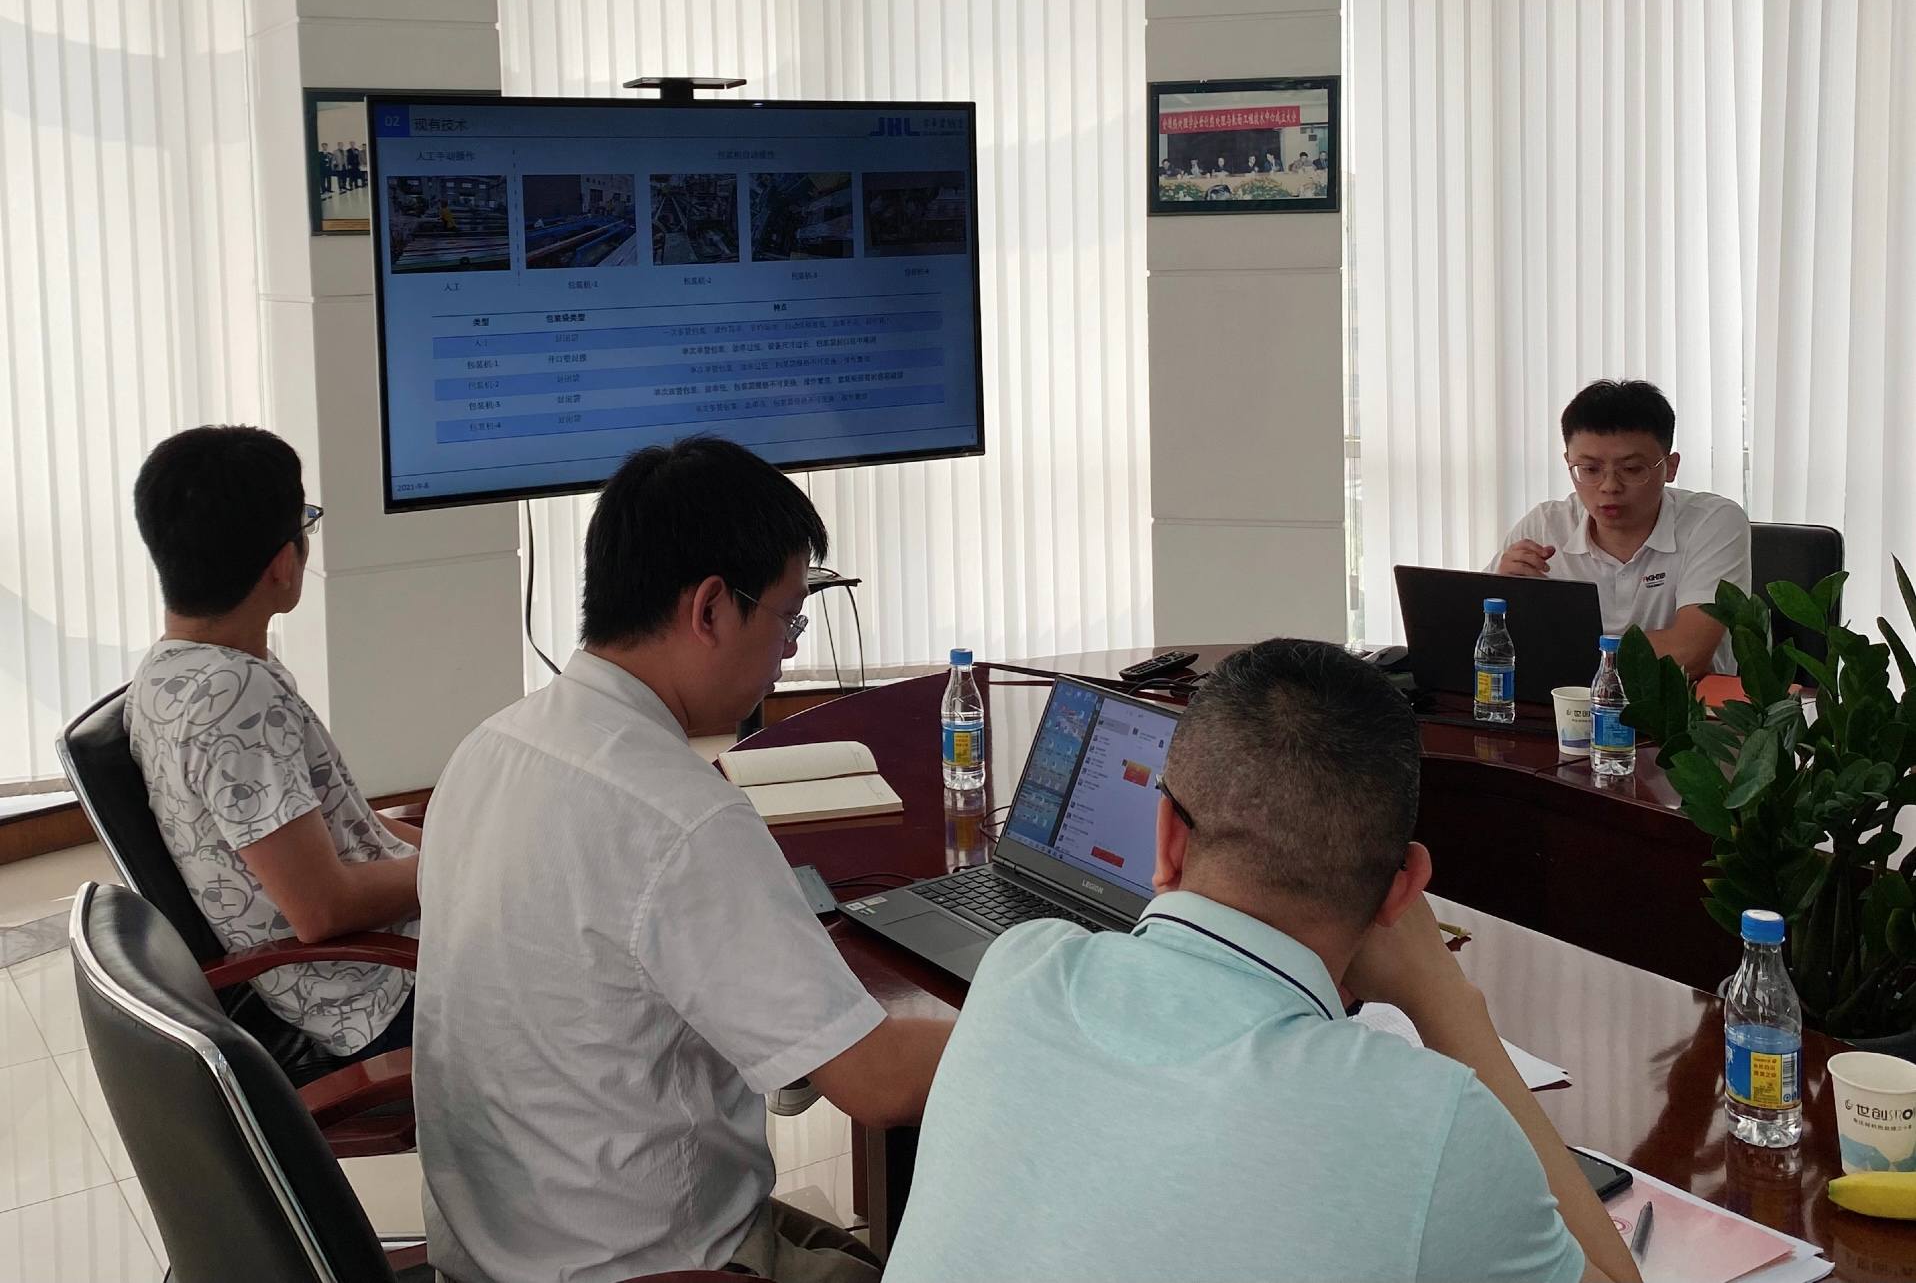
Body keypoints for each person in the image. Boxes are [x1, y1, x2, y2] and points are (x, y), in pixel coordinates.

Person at [883, 639, 1639, 1283]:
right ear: (1405, 887)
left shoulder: (1019, 969)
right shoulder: (1432, 1122)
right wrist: (1448, 1004)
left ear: (1167, 838)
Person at [415, 436, 953, 1283]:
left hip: (497, 1248)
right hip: (643, 1263)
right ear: (710, 609)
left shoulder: (492, 745)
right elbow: (879, 1082)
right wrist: (1037, 1022)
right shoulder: (682, 816)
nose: (790, 652)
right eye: (788, 618)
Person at [124, 426, 421, 1061]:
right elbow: (321, 909)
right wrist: (467, 867)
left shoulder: (169, 671)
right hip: (377, 993)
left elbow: (351, 830)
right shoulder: (233, 696)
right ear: (284, 563)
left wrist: (466, 842)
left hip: (375, 960)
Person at [1490, 378, 1750, 676]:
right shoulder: (1544, 525)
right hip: (1560, 698)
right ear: (1569, 462)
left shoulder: (1713, 522)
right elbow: (1482, 642)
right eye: (1589, 469)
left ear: (1671, 466)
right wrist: (1501, 594)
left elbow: (1688, 653)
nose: (1609, 486)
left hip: (1684, 702)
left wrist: (1552, 647)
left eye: (1631, 469)